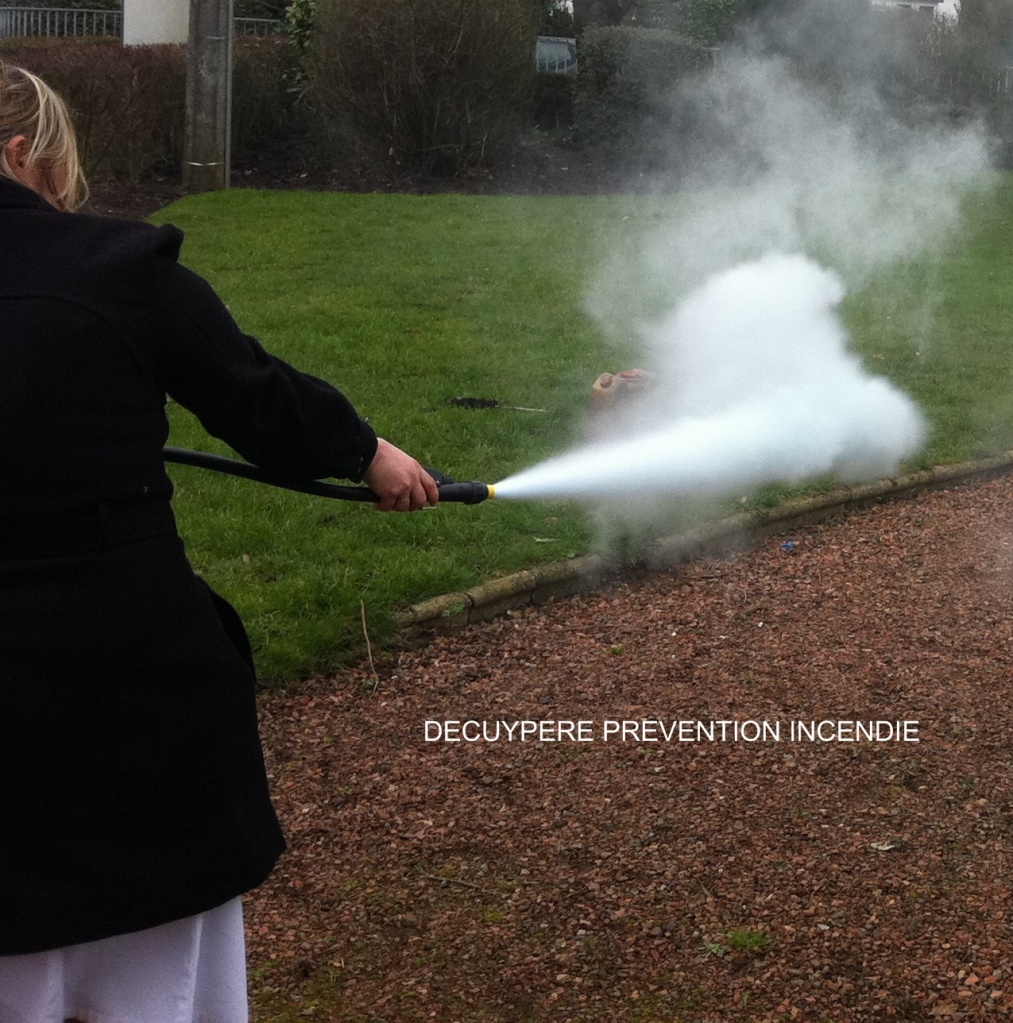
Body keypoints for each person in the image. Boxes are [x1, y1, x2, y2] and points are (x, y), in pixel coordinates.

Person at [0, 61, 438, 1023]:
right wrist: (367, 453)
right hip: (129, 719)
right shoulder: (114, 269)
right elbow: (255, 395)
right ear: (21, 153)